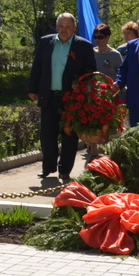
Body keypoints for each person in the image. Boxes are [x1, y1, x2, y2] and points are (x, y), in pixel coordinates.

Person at [28, 13, 96, 181]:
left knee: (69, 136)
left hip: (71, 99)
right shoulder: (46, 42)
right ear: (56, 27)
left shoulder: (83, 46)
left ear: (74, 28)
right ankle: (48, 167)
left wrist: (80, 82)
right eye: (61, 26)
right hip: (48, 96)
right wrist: (32, 88)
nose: (64, 30)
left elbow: (91, 70)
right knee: (47, 135)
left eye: (67, 27)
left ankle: (64, 170)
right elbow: (37, 66)